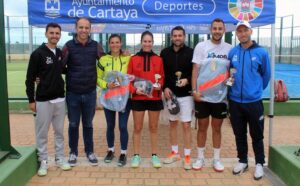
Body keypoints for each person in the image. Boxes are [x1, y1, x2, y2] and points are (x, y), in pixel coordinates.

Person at [25, 23, 71, 176]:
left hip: (59, 99)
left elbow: (62, 70)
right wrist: (31, 100)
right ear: (46, 34)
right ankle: (43, 161)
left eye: (57, 33)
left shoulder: (59, 52)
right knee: (42, 133)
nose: (55, 36)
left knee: (59, 132)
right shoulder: (37, 54)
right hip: (43, 100)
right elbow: (30, 78)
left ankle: (59, 158)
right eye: (52, 33)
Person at [228, 21, 270, 180]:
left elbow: (266, 76)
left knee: (257, 135)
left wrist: (254, 90)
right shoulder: (233, 52)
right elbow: (230, 75)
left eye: (245, 30)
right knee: (239, 134)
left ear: (250, 31)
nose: (242, 34)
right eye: (239, 31)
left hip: (254, 102)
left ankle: (259, 163)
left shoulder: (261, 52)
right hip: (235, 102)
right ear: (236, 34)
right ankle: (243, 160)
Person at [191, 18, 232, 172]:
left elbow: (232, 72)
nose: (217, 31)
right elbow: (195, 70)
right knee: (202, 127)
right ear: (210, 30)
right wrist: (194, 91)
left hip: (220, 97)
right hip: (202, 96)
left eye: (220, 28)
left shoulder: (230, 49)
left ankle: (216, 159)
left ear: (224, 30)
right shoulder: (201, 46)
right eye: (214, 28)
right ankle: (200, 158)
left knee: (217, 128)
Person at [62, 17, 104, 166]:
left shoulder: (96, 46)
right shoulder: (68, 46)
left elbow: (105, 64)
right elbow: (60, 66)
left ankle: (89, 152)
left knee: (88, 124)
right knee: (73, 124)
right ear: (76, 28)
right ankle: (73, 152)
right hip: (73, 93)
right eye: (81, 27)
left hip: (90, 93)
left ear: (90, 29)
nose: (84, 30)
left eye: (86, 28)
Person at [127, 31, 165, 168]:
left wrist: (159, 85)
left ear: (153, 43)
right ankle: (136, 155)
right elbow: (128, 79)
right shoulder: (133, 59)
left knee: (153, 128)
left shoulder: (159, 59)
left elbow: (162, 77)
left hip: (154, 98)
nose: (147, 44)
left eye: (150, 41)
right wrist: (134, 90)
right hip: (138, 98)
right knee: (137, 127)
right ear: (141, 42)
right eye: (145, 41)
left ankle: (154, 155)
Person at [160, 26, 194, 170]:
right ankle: (175, 153)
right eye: (175, 35)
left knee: (186, 125)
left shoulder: (191, 52)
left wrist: (187, 80)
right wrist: (164, 87)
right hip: (170, 96)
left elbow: (195, 72)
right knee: (172, 123)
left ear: (184, 37)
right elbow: (162, 74)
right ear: (171, 37)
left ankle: (187, 156)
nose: (177, 38)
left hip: (186, 95)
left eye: (180, 35)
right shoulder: (164, 52)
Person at [97, 34, 131, 167]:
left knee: (123, 126)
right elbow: (98, 78)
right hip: (109, 98)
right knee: (110, 125)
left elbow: (132, 74)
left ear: (121, 44)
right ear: (109, 44)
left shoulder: (128, 58)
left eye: (117, 42)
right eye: (112, 42)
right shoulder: (103, 60)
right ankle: (110, 150)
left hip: (124, 99)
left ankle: (123, 153)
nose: (115, 45)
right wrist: (106, 85)